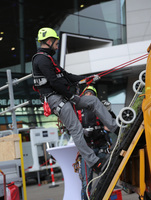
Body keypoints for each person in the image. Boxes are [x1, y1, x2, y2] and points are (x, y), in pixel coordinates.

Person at [31, 27, 117, 173]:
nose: (57, 47)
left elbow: (66, 76)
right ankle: (95, 163)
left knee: (93, 101)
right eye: (56, 44)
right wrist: (71, 96)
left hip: (62, 96)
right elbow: (54, 82)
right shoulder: (41, 60)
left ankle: (116, 128)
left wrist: (86, 79)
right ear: (49, 41)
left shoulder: (49, 59)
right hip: (55, 99)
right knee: (76, 129)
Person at [78, 86, 112, 200]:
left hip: (101, 147)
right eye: (87, 93)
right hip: (87, 151)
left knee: (106, 179)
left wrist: (109, 111)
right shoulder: (77, 110)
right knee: (86, 183)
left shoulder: (100, 108)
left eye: (91, 94)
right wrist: (82, 131)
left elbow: (112, 123)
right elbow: (70, 127)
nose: (89, 95)